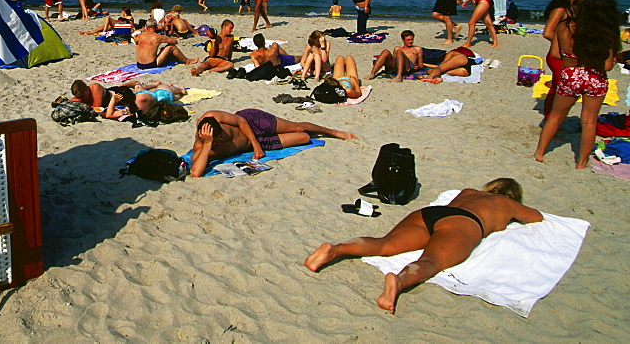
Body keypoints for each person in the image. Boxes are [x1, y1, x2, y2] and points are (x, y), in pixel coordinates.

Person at [303, 178, 542, 314]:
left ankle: (336, 249)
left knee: (384, 244)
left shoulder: (469, 192)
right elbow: (536, 217)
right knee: (431, 261)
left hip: (432, 213)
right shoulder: (507, 203)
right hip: (464, 224)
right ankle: (398, 281)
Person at [534, 0, 621, 169]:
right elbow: (607, 66)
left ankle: (540, 153)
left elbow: (556, 54)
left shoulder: (565, 27)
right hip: (594, 77)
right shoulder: (606, 32)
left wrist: (571, 59)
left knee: (556, 117)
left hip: (571, 75)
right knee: (589, 120)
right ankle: (582, 162)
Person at [190, 109, 355, 177]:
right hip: (256, 142)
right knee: (303, 138)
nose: (221, 140)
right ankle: (316, 133)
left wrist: (256, 145)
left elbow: (240, 121)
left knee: (296, 127)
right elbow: (195, 172)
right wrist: (208, 143)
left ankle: (333, 132)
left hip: (252, 122)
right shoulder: (202, 148)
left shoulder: (212, 116)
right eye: (216, 139)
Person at [541, 0, 587, 115]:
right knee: (560, 89)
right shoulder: (560, 9)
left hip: (567, 55)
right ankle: (551, 119)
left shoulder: (573, 7)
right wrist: (566, 45)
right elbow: (547, 32)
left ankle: (553, 119)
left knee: (559, 88)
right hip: (559, 56)